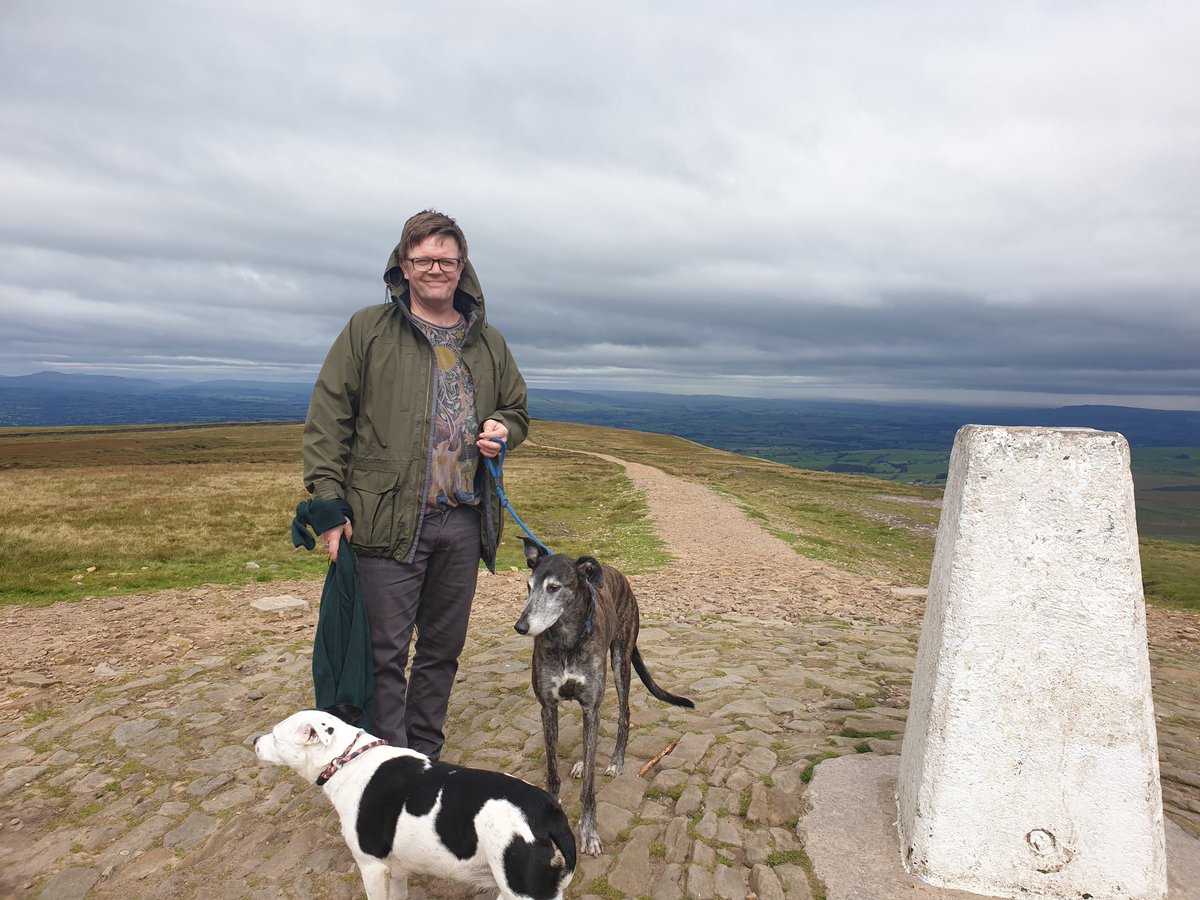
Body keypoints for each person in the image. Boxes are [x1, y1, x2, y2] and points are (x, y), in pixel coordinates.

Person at [302, 209, 529, 759]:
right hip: (386, 519)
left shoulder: (489, 342)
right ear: (403, 266)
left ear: (461, 267)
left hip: (464, 519)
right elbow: (329, 416)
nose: (435, 268)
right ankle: (389, 766)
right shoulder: (368, 329)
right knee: (383, 653)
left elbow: (516, 408)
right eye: (423, 258)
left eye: (446, 260)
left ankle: (424, 758)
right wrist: (327, 504)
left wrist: (505, 429)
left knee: (442, 650)